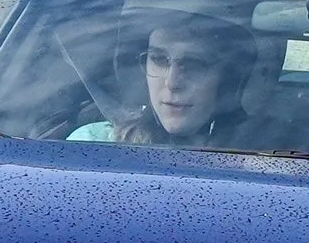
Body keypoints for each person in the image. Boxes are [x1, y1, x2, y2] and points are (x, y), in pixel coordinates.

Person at [68, 10, 255, 147]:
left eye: (194, 64)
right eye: (158, 60)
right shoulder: (94, 143)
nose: (172, 83)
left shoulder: (264, 155)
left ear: (228, 79)